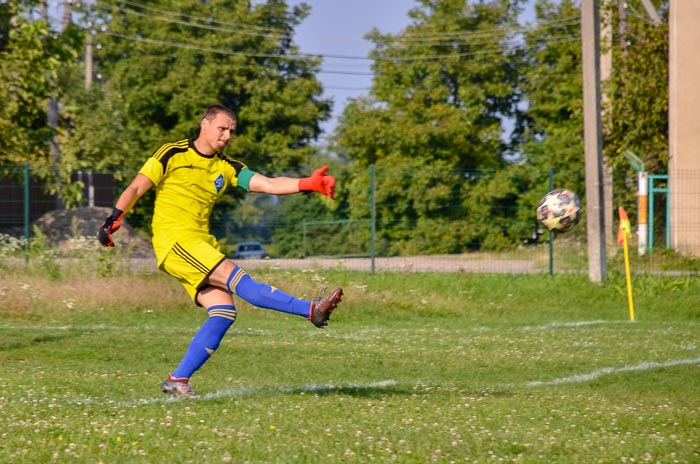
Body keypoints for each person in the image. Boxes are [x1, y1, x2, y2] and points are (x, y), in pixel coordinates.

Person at [98, 104, 343, 397]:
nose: (226, 135)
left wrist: (308, 183)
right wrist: (115, 216)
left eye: (231, 131)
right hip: (176, 242)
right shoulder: (173, 153)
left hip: (199, 244)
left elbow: (267, 183)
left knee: (224, 311)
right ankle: (310, 310)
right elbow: (138, 187)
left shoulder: (227, 167)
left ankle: (178, 380)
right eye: (222, 128)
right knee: (241, 282)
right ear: (205, 124)